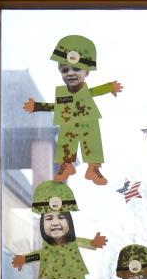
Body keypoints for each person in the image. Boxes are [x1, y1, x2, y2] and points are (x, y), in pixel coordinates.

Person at [11, 180, 106, 279]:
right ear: (42, 224)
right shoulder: (48, 247)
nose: (55, 222)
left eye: (61, 217)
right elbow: (39, 255)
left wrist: (94, 243)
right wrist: (24, 259)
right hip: (54, 278)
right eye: (48, 218)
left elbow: (83, 242)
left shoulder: (72, 242)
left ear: (69, 222)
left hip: (75, 276)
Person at [22, 35, 122, 186]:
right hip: (68, 122)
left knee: (92, 143)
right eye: (65, 70)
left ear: (87, 72)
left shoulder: (85, 91)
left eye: (76, 69)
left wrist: (110, 87)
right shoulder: (63, 94)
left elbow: (96, 91)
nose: (70, 73)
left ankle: (93, 169)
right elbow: (55, 107)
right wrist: (37, 106)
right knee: (65, 142)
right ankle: (66, 166)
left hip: (88, 120)